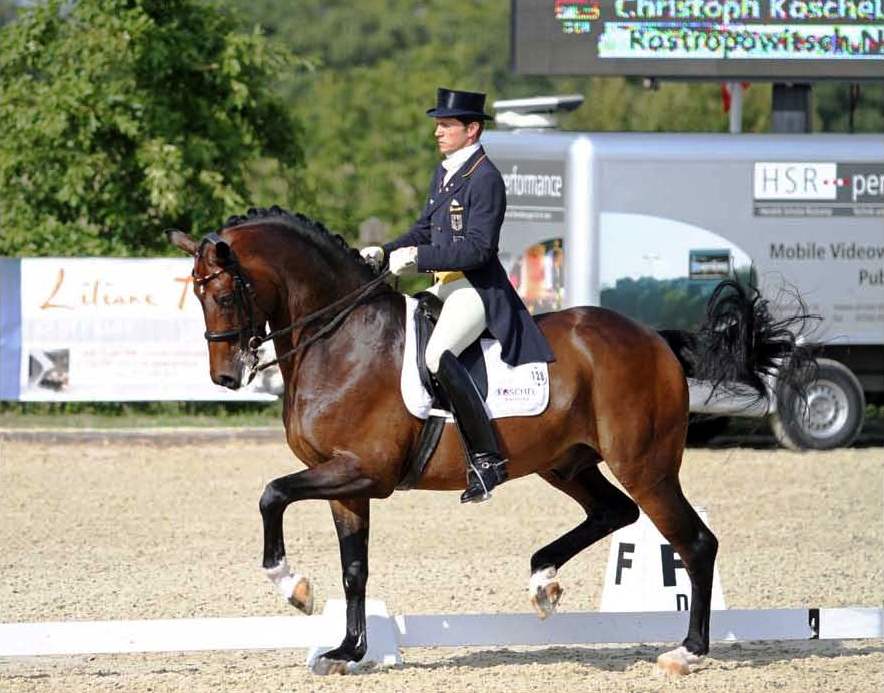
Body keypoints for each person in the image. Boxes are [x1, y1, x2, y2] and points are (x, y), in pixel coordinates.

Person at [361, 87, 555, 503]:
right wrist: (386, 252)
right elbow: (424, 230)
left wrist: (419, 259)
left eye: (447, 125)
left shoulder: (485, 179)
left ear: (472, 129)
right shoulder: (445, 172)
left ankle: (486, 459)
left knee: (436, 355)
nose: (438, 132)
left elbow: (479, 249)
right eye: (438, 124)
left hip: (477, 288)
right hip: (446, 285)